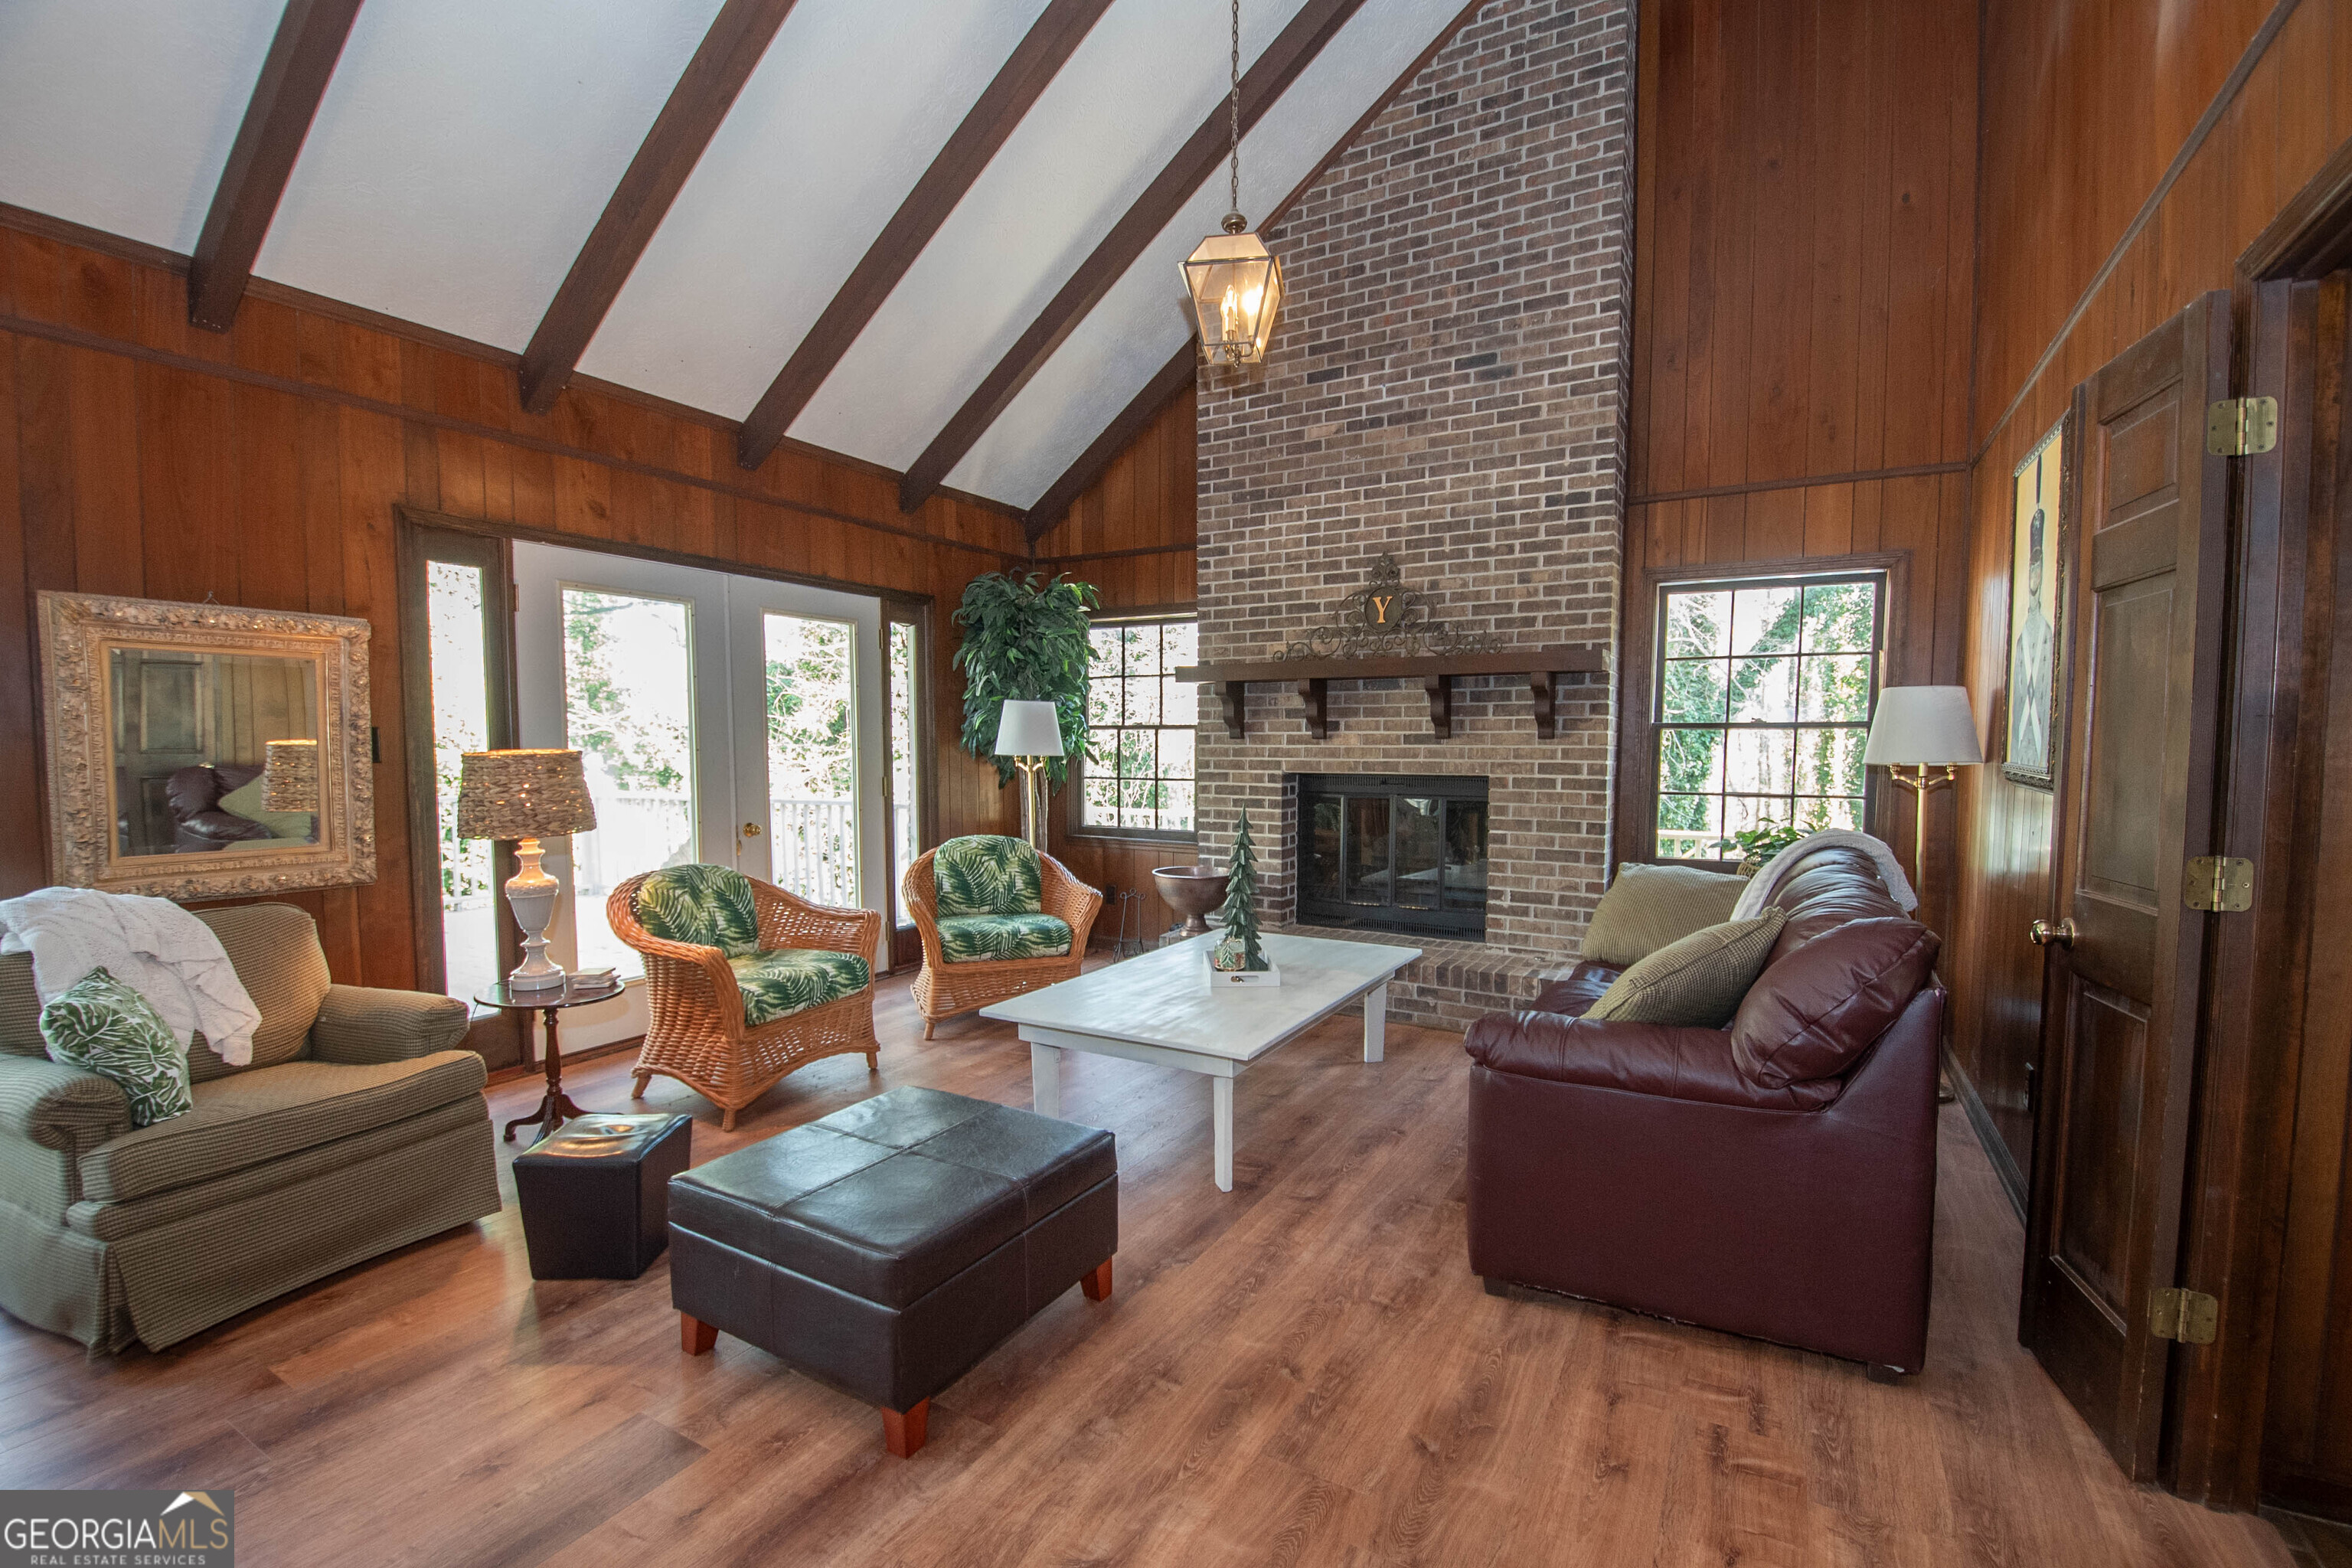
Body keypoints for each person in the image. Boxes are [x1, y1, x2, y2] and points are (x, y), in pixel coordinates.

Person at [2011, 505, 2054, 771]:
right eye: (2031, 567)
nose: (2035, 575)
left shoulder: (2048, 634)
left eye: (2039, 566)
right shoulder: (2021, 641)